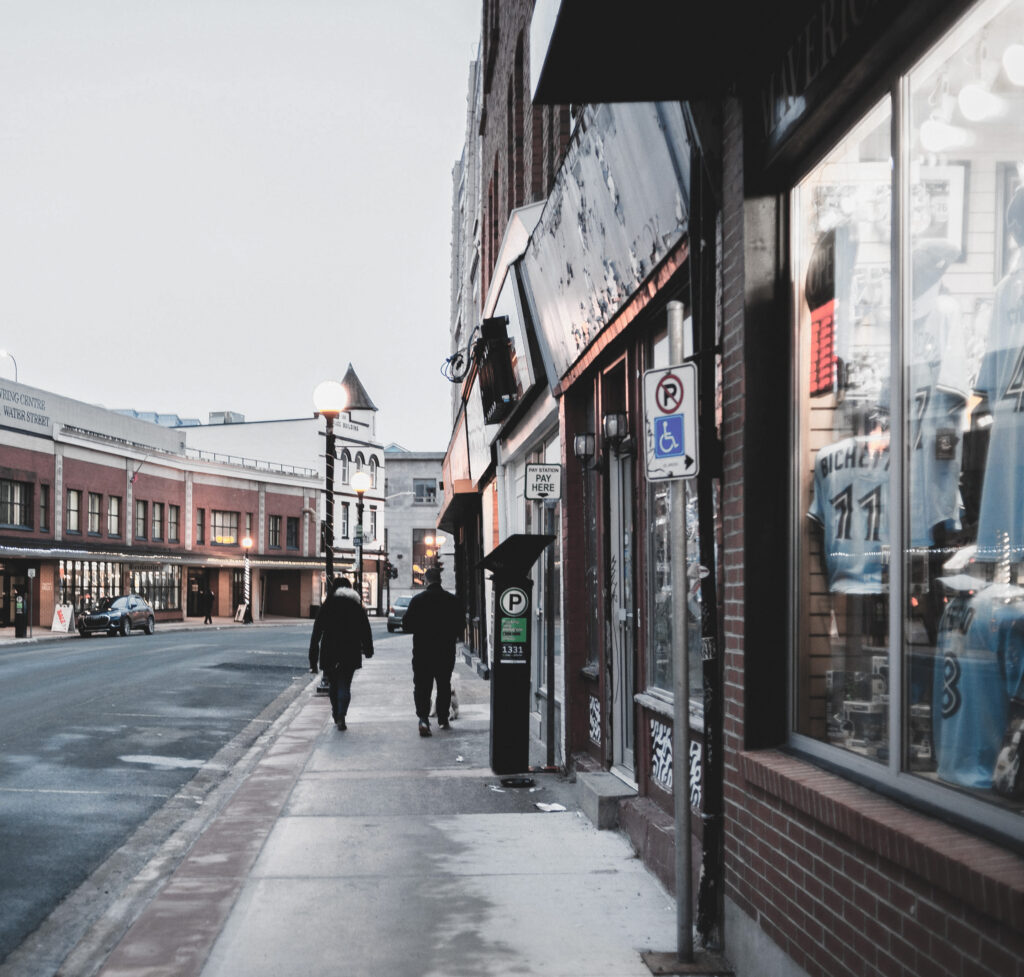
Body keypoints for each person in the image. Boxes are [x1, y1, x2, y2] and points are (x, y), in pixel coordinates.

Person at [401, 566, 463, 737]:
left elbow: (406, 625)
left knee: (422, 686)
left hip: (423, 652)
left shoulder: (418, 600)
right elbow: (461, 626)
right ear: (440, 580)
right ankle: (443, 718)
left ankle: (423, 718)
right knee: (443, 685)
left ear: (426, 581)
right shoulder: (452, 600)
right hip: (445, 651)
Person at [308, 577, 374, 730]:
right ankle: (342, 715)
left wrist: (313, 658)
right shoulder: (356, 606)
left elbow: (316, 632)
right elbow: (365, 629)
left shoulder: (328, 605)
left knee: (333, 684)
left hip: (329, 650)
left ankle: (335, 711)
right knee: (345, 684)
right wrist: (368, 649)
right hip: (350, 651)